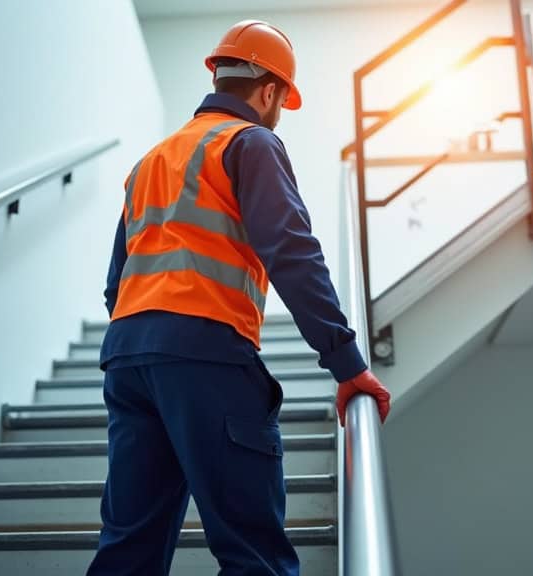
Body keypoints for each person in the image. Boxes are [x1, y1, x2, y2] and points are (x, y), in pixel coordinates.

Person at [87, 20, 391, 576]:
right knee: (254, 554)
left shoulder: (152, 160)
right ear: (269, 89)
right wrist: (346, 363)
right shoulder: (251, 142)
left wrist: (152, 339)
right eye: (281, 101)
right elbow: (292, 254)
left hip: (129, 358)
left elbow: (117, 282)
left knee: (128, 550)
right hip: (206, 356)